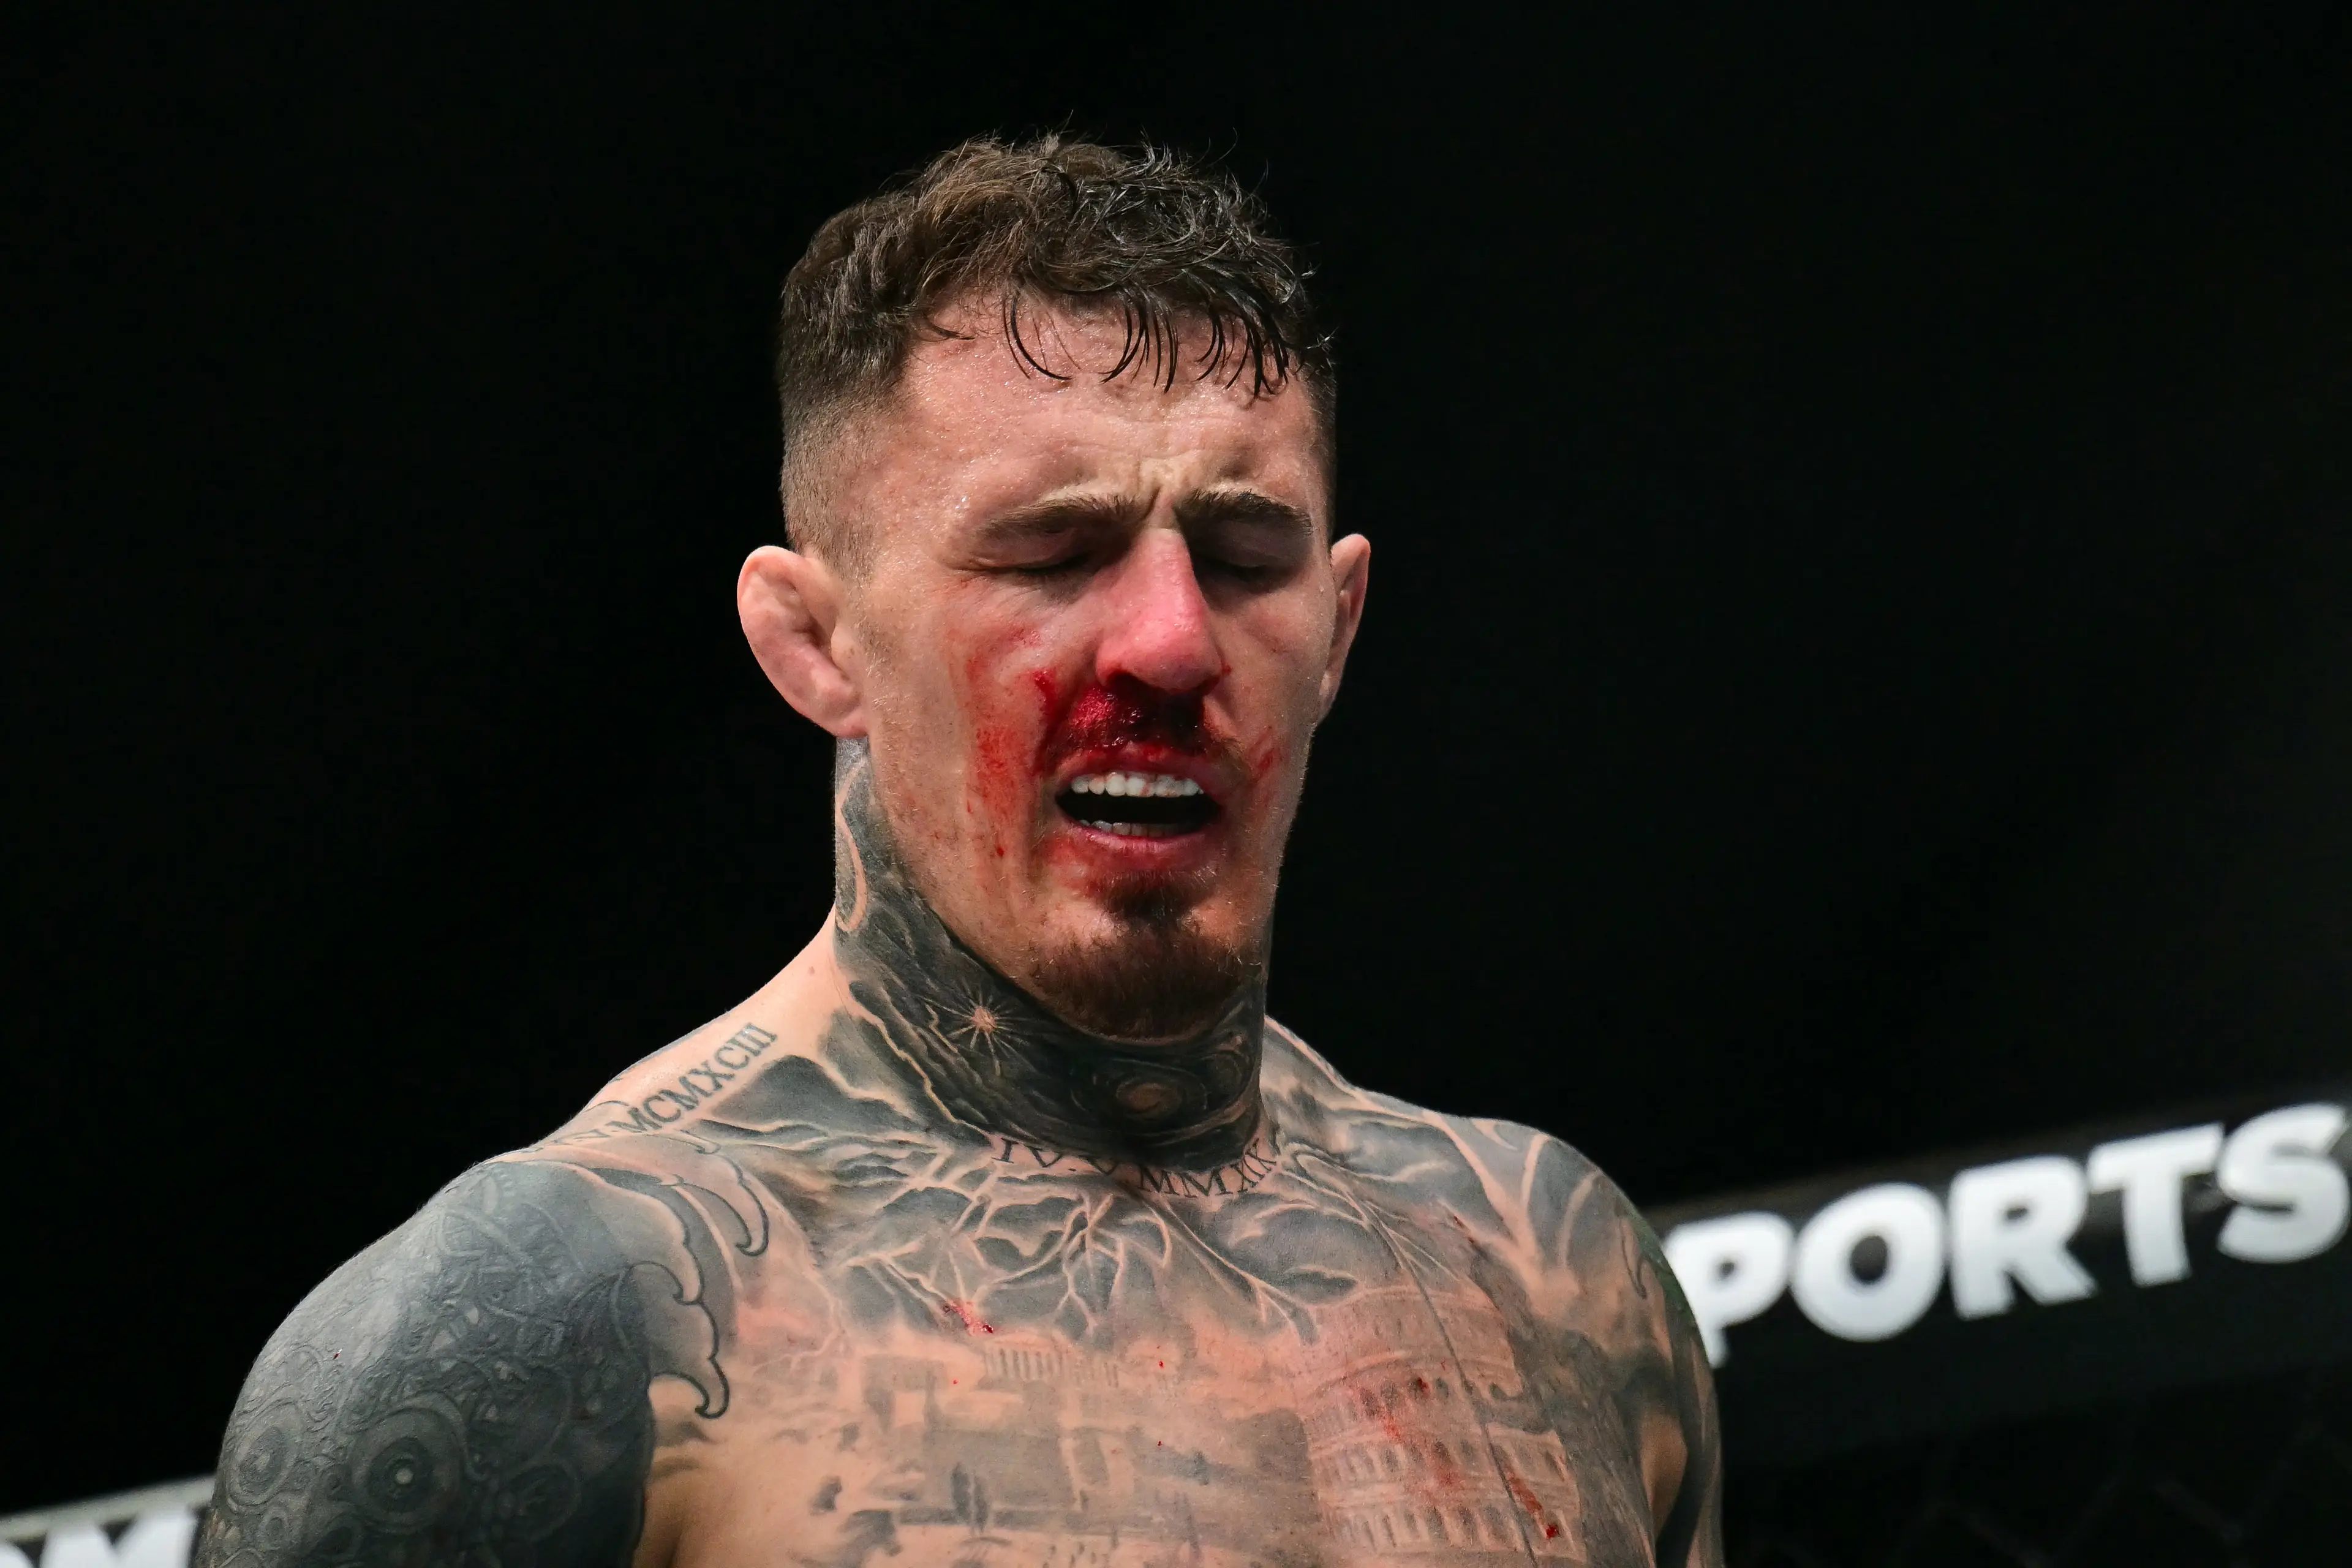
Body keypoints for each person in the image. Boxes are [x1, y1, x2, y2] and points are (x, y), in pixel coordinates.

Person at [197, 136, 1721, 1568]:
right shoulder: (560, 1317)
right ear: (816, 642)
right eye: (1053, 552)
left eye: (1244, 555)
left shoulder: (1560, 1276)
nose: (1173, 641)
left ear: (1338, 626)